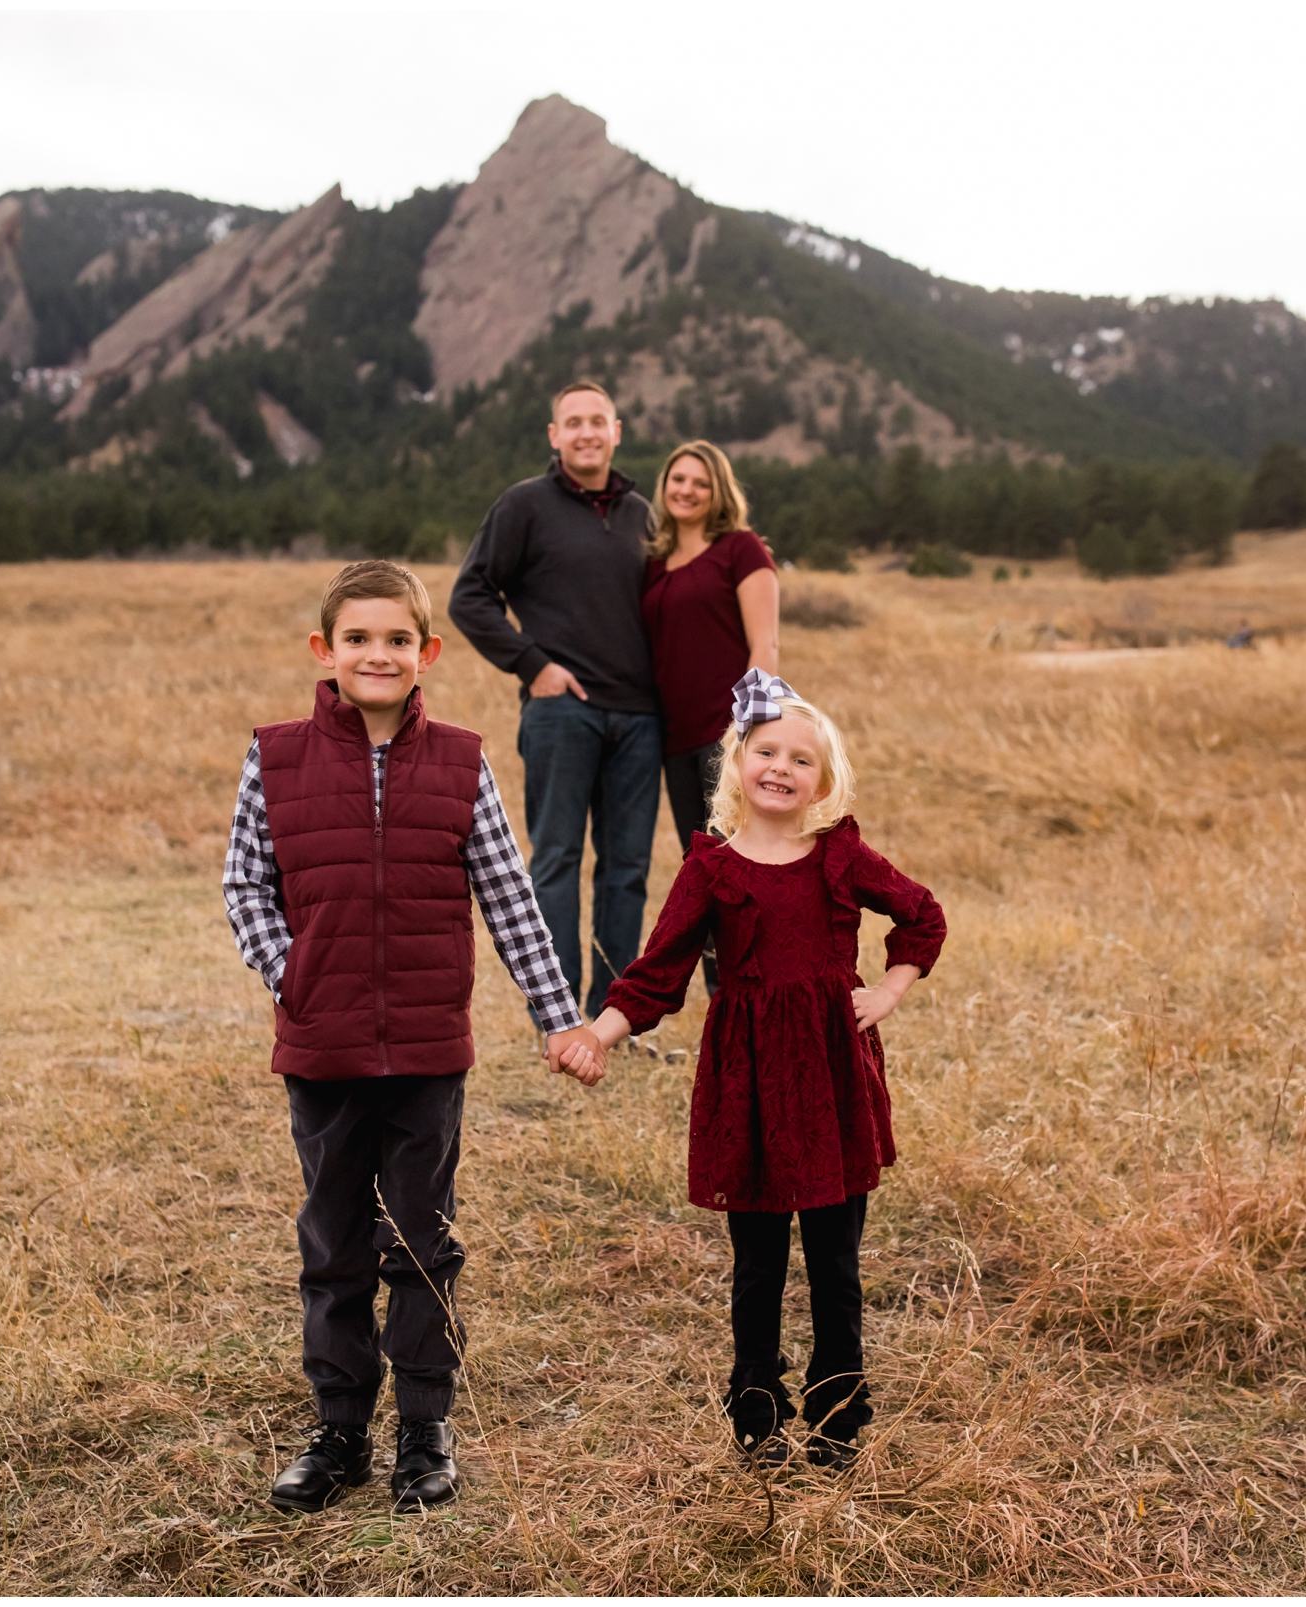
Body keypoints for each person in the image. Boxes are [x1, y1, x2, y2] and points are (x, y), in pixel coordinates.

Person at [222, 559, 602, 1516]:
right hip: (323, 1048)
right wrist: (293, 973)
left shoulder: (464, 762)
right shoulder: (274, 756)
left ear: (427, 652)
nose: (377, 653)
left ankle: (423, 1431)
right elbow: (245, 888)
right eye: (358, 638)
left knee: (421, 1242)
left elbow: (511, 898)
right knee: (335, 1241)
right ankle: (339, 1429)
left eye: (397, 638)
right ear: (325, 651)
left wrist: (558, 1016)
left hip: (429, 1051)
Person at [580, 671, 945, 1471]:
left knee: (835, 1261)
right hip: (747, 1085)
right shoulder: (712, 868)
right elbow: (657, 972)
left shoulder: (840, 857)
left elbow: (922, 913)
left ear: (825, 780)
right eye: (766, 750)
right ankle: (757, 1408)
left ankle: (838, 1413)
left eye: (801, 759)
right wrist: (600, 1033)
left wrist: (888, 988)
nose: (781, 767)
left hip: (832, 1078)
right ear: (737, 763)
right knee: (758, 1263)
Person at [448, 381, 660, 1023]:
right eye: (574, 422)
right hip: (562, 713)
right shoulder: (524, 506)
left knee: (626, 868)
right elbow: (469, 596)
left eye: (598, 421)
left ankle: (615, 1015)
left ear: (617, 430)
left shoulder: (642, 514)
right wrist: (532, 665)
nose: (587, 432)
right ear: (555, 435)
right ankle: (561, 1016)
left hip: (642, 717)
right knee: (558, 860)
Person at [642, 440, 779, 992]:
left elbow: (765, 646)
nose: (687, 490)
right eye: (678, 479)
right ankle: (726, 1004)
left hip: (725, 736)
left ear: (719, 490)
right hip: (673, 740)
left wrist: (744, 734)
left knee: (744, 872)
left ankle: (764, 995)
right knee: (703, 873)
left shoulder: (741, 550)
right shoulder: (654, 563)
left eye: (700, 481)